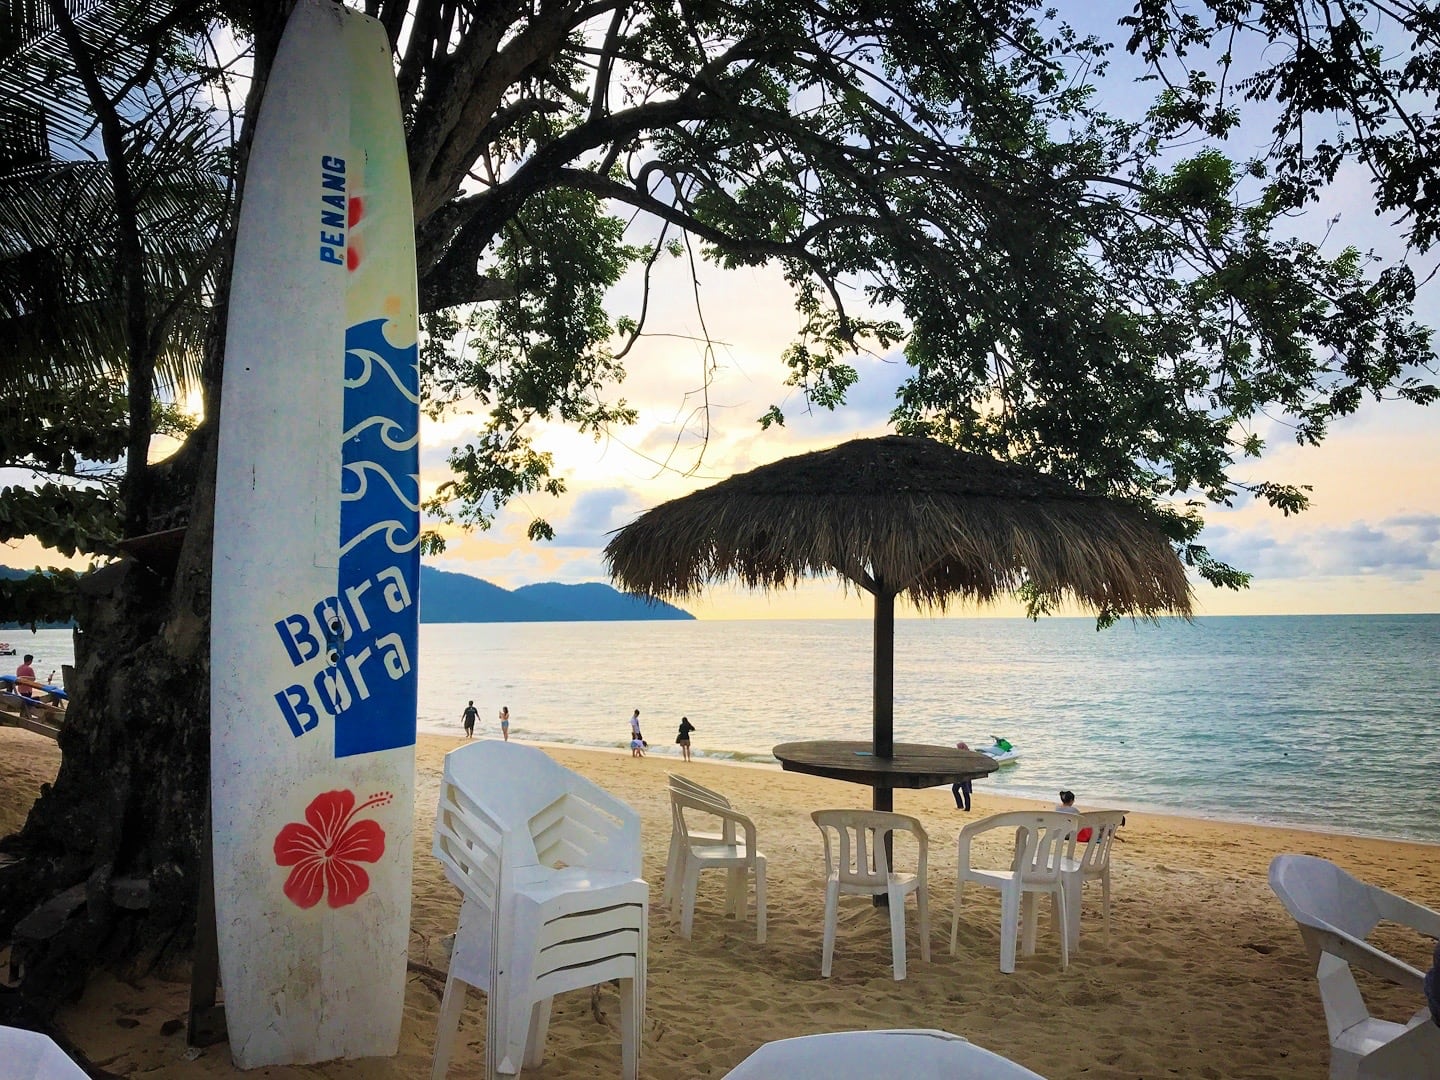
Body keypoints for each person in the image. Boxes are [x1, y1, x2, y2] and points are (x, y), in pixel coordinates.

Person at [952, 741, 973, 811]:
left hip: (965, 776)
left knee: (965, 792)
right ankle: (960, 805)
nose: (957, 748)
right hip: (959, 776)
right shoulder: (960, 754)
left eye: (958, 747)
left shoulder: (967, 755)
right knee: (955, 789)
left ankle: (967, 808)